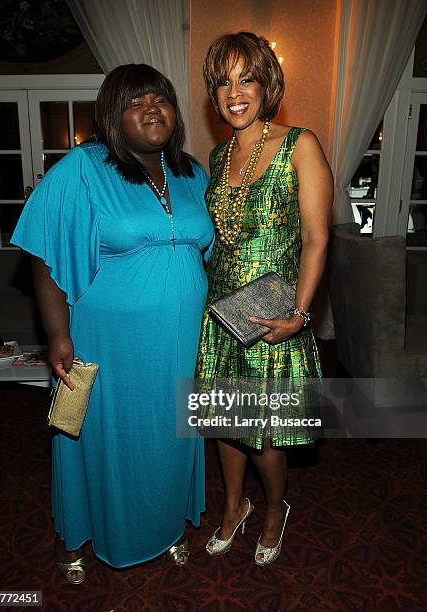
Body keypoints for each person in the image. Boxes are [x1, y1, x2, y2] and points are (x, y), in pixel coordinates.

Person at [11, 64, 214, 581]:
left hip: (180, 341)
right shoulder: (83, 167)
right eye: (135, 101)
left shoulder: (192, 172)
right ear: (111, 114)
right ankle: (75, 538)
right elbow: (44, 252)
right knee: (98, 435)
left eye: (162, 98)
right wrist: (57, 334)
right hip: (110, 340)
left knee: (171, 436)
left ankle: (165, 527)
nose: (152, 108)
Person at [196, 32, 333, 566]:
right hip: (221, 311)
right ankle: (234, 506)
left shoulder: (301, 143)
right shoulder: (216, 153)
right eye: (223, 81)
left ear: (266, 84)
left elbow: (319, 238)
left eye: (245, 78)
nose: (234, 92)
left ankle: (276, 508)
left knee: (267, 432)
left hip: (273, 314)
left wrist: (300, 315)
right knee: (225, 425)